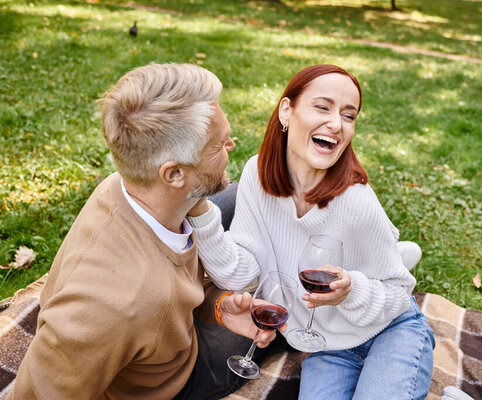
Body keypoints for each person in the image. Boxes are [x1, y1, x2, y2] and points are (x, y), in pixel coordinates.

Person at [6, 63, 280, 400]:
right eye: (219, 145)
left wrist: (218, 305)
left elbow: (177, 287)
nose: (232, 146)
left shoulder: (125, 184)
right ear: (174, 174)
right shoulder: (112, 306)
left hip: (161, 321)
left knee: (238, 193)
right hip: (175, 378)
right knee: (284, 307)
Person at [188, 64, 435, 399]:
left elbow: (399, 291)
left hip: (391, 329)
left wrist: (352, 291)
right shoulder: (256, 176)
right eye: (323, 107)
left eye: (349, 116)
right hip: (328, 346)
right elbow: (241, 270)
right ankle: (388, 251)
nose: (336, 124)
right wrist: (200, 212)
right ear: (286, 112)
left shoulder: (356, 201)